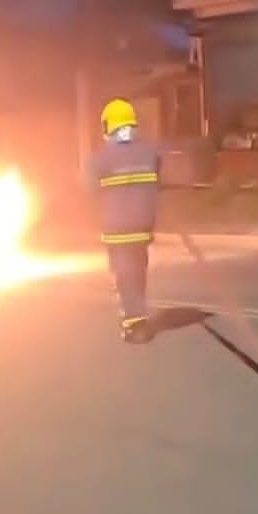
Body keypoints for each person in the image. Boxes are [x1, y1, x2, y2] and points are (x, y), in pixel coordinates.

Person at [89, 98, 162, 344]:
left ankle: (134, 325)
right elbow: (156, 180)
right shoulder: (150, 153)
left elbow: (88, 189)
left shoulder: (100, 159)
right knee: (138, 273)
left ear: (108, 126)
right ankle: (137, 314)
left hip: (116, 229)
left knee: (123, 276)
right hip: (143, 228)